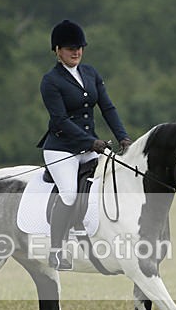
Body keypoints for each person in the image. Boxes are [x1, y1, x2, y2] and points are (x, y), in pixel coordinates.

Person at [37, 19, 132, 270]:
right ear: (57, 50)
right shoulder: (51, 81)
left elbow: (108, 108)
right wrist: (92, 142)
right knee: (69, 194)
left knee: (114, 181)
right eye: (70, 48)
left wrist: (123, 137)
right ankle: (56, 251)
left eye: (79, 47)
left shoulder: (90, 73)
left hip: (90, 147)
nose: (76, 51)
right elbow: (60, 120)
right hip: (61, 149)